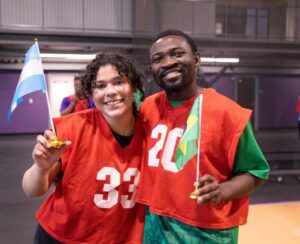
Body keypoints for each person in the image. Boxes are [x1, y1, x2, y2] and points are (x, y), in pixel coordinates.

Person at [135, 29, 270, 243]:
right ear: (152, 68)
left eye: (178, 54)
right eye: (158, 59)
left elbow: (256, 172)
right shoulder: (147, 109)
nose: (168, 62)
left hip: (207, 232)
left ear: (196, 58)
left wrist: (222, 190)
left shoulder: (228, 113)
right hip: (155, 227)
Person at [22, 51, 146, 243]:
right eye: (100, 86)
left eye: (119, 82)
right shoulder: (72, 128)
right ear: (91, 93)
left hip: (121, 238)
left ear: (134, 86)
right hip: (62, 236)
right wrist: (42, 167)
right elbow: (32, 190)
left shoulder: (151, 132)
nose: (110, 91)